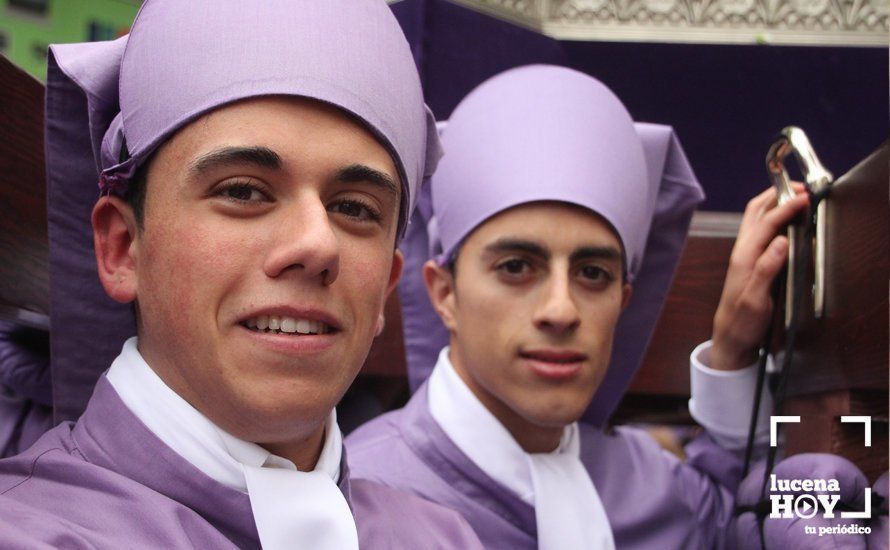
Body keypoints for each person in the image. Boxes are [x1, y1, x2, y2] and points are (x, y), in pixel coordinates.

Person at [0, 1, 484, 548]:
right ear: (123, 248)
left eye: (354, 208)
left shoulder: (438, 536)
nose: (317, 244)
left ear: (386, 290)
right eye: (243, 191)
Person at [345, 64, 877, 548]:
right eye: (516, 267)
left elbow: (736, 514)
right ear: (445, 294)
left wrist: (733, 350)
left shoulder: (644, 485)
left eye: (592, 273)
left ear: (623, 299)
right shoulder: (357, 504)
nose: (561, 310)